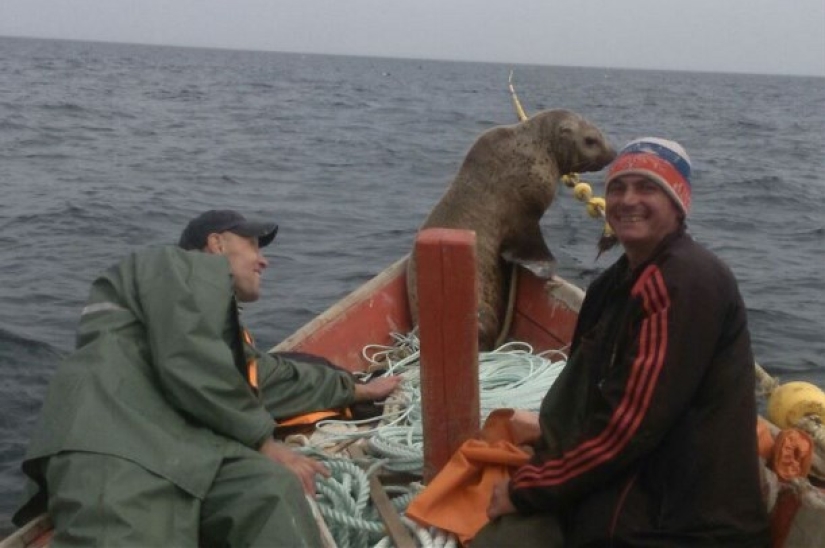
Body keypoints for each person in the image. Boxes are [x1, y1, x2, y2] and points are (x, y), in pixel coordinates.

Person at [13, 209, 402, 547]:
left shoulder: (213, 327)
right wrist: (263, 443)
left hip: (192, 451)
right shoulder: (172, 266)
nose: (263, 260)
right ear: (216, 244)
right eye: (252, 244)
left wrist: (353, 389)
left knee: (273, 491)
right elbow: (186, 354)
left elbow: (264, 378)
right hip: (118, 443)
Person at [473, 139, 770, 547]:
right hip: (637, 489)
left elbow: (628, 428)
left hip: (687, 526)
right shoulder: (612, 287)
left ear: (677, 203)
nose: (628, 200)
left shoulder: (684, 282)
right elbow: (591, 403)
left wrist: (528, 489)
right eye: (617, 187)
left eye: (647, 188)